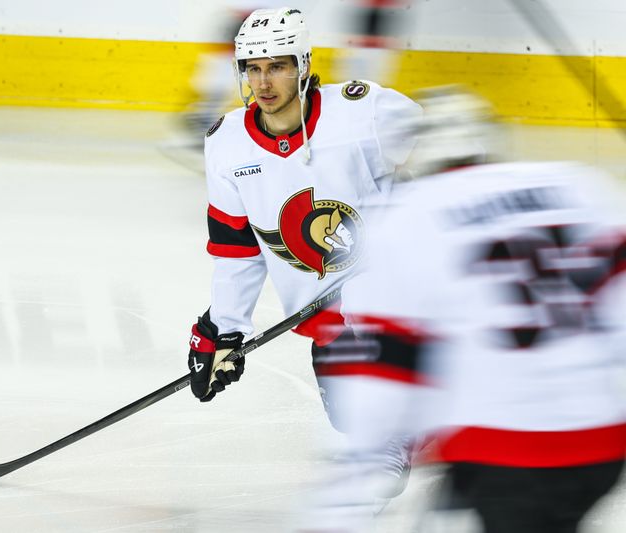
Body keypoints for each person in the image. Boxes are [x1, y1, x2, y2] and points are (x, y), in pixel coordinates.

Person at [332, 87, 626, 532]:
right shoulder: (577, 183)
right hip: (606, 441)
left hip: (503, 447)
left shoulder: (411, 214)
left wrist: (344, 492)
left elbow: (385, 383)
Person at [185, 3, 422, 495]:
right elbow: (236, 249)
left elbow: (447, 153)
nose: (263, 81)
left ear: (303, 66)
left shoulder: (364, 111)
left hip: (397, 298)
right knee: (348, 415)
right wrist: (223, 329)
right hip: (323, 315)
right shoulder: (227, 143)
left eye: (277, 66)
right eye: (253, 68)